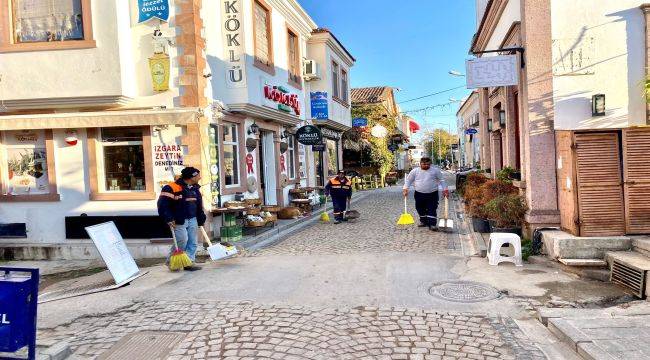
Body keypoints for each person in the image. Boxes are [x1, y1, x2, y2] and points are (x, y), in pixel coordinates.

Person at [157, 166, 206, 271]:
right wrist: (169, 218)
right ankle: (172, 261)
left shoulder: (195, 189)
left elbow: (198, 205)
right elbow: (163, 205)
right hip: (179, 220)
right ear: (191, 177)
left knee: (193, 242)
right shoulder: (171, 187)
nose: (200, 177)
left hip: (193, 219)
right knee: (182, 240)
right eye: (198, 175)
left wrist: (201, 217)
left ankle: (189, 262)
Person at [402, 157, 449, 231]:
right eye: (424, 164)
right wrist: (405, 189)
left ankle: (432, 224)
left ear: (430, 164)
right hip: (419, 193)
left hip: (432, 193)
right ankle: (423, 221)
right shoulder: (415, 171)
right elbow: (408, 180)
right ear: (420, 164)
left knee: (432, 208)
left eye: (428, 164)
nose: (426, 166)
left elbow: (442, 180)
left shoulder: (435, 171)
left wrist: (445, 189)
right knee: (419, 208)